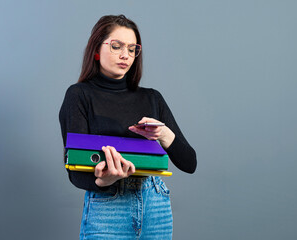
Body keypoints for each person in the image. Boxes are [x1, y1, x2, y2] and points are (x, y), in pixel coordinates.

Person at [59, 15, 197, 239]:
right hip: (108, 206)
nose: (125, 55)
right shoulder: (79, 95)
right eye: (116, 46)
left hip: (155, 203)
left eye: (132, 49)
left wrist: (163, 133)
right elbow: (74, 171)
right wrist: (105, 180)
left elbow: (189, 163)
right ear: (96, 49)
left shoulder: (153, 98)